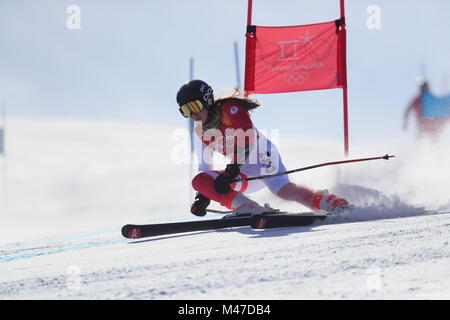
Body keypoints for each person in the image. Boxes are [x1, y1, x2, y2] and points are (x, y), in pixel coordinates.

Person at [176, 79, 351, 216]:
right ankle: (247, 207)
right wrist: (204, 195)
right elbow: (205, 169)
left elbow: (248, 139)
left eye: (194, 106)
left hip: (263, 157)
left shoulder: (230, 110)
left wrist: (231, 170)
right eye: (185, 110)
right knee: (198, 180)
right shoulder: (199, 132)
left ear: (207, 100)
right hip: (242, 172)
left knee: (284, 191)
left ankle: (331, 203)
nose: (192, 114)